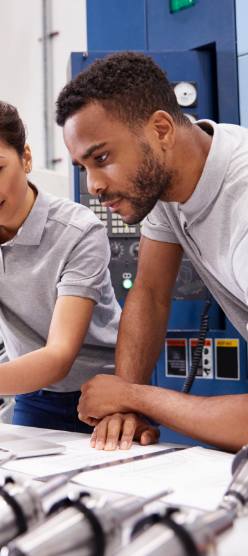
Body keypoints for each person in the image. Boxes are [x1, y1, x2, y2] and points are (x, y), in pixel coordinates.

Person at [0, 94, 159, 445]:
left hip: (104, 393)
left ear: (25, 158)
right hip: (33, 393)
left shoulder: (79, 230)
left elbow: (60, 355)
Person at [55, 51, 248, 453]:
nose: (93, 186)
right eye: (82, 167)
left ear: (161, 129)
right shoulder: (169, 179)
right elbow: (150, 293)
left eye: (102, 158)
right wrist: (125, 399)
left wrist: (134, 398)